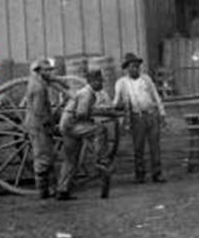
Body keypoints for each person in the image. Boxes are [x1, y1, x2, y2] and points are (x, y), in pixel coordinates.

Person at [56, 70, 113, 200]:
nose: (101, 84)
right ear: (91, 82)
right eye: (99, 81)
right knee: (100, 129)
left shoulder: (86, 93)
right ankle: (100, 160)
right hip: (71, 125)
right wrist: (100, 113)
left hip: (66, 126)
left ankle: (62, 190)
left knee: (71, 159)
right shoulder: (86, 93)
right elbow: (81, 113)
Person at [113, 52, 168, 183]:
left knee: (155, 146)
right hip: (136, 117)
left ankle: (157, 173)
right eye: (132, 66)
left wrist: (162, 113)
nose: (135, 69)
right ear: (127, 68)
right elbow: (116, 101)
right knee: (138, 147)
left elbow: (155, 95)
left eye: (137, 66)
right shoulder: (122, 83)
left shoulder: (146, 79)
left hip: (151, 114)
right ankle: (140, 174)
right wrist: (115, 106)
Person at [25, 57, 59, 199]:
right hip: (39, 125)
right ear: (39, 71)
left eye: (49, 70)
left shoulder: (36, 82)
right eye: (46, 70)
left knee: (45, 156)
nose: (48, 72)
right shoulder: (39, 87)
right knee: (43, 157)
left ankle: (48, 190)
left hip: (36, 124)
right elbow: (39, 111)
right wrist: (49, 124)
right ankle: (43, 191)